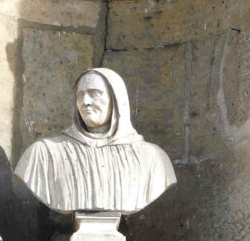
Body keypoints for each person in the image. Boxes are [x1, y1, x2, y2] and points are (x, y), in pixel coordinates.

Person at [14, 67, 176, 214]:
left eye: (94, 93)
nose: (85, 102)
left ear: (116, 100)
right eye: (80, 95)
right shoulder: (43, 154)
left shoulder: (153, 158)